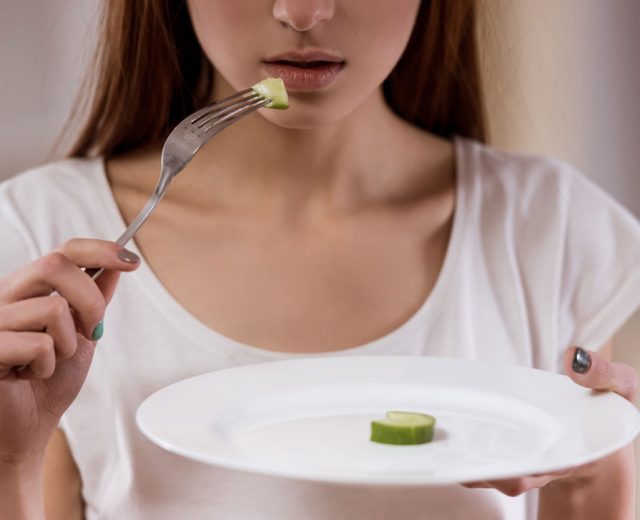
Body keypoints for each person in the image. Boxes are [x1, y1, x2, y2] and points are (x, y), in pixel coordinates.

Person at [1, 1, 639, 518]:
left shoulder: (550, 228)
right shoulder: (38, 236)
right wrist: (10, 463)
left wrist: (587, 474)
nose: (303, 12)